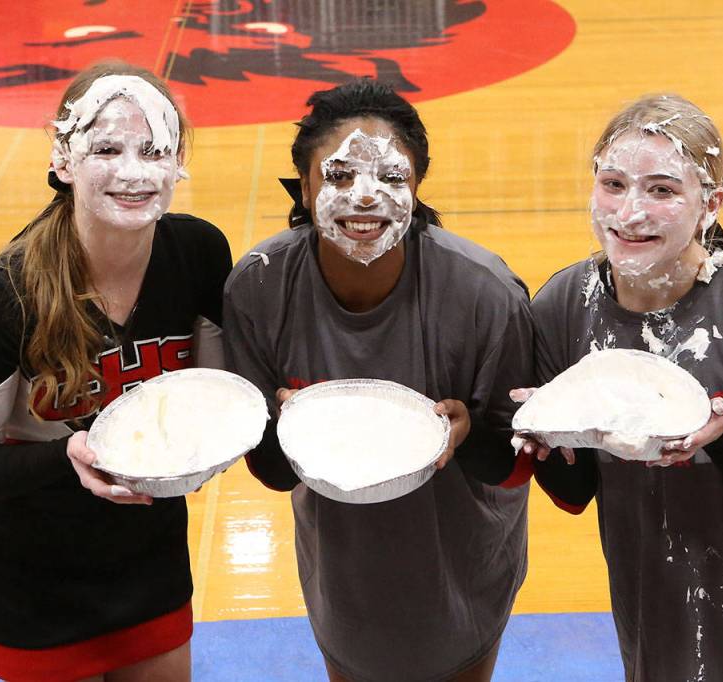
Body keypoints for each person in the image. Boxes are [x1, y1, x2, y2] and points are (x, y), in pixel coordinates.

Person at [515, 94, 723, 681]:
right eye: (613, 184)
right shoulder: (564, 307)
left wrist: (722, 440)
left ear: (710, 205)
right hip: (657, 593)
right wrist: (542, 437)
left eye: (663, 190)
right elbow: (573, 494)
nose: (631, 211)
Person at [222, 79, 534, 681]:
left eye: (390, 177)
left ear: (416, 186)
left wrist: (469, 435)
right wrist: (286, 432)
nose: (365, 198)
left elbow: (518, 464)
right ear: (305, 186)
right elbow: (270, 471)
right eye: (339, 177)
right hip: (344, 571)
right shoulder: (258, 287)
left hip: (462, 565)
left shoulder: (486, 293)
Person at [0, 61, 232, 681]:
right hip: (31, 588)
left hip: (149, 564)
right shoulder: (3, 294)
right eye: (106, 148)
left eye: (154, 149)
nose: (133, 171)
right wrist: (67, 454)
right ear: (63, 159)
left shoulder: (200, 254)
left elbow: (214, 395)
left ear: (179, 161)